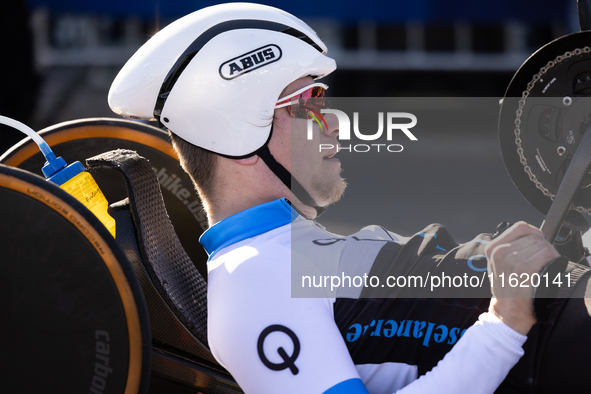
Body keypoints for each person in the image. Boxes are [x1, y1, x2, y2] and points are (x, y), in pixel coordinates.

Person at [108, 3, 588, 393]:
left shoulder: (284, 247)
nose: (333, 120)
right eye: (307, 105)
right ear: (238, 136)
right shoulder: (250, 283)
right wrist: (503, 324)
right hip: (556, 341)